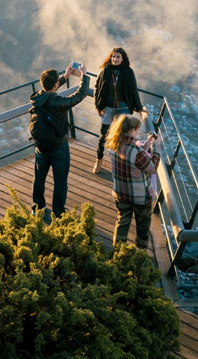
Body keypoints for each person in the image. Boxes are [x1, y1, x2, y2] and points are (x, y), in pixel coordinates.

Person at [29, 63, 91, 219]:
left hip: (41, 147)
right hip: (59, 147)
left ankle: (38, 207)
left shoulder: (37, 97)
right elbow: (79, 95)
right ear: (55, 84)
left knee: (39, 178)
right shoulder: (58, 103)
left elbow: (49, 90)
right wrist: (84, 76)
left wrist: (64, 77)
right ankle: (58, 212)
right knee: (60, 181)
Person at [105, 113, 161, 250]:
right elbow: (152, 168)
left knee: (122, 221)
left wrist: (147, 144)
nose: (138, 132)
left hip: (120, 193)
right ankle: (140, 252)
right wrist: (156, 148)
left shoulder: (114, 144)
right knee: (142, 225)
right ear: (131, 131)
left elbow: (133, 159)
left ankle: (118, 251)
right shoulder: (135, 151)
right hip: (140, 197)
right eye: (137, 129)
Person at [93, 47, 144, 173]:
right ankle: (98, 160)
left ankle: (120, 163)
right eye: (113, 57)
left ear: (123, 59)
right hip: (108, 107)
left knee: (123, 137)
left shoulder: (128, 72)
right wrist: (98, 106)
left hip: (123, 107)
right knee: (104, 135)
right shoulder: (105, 70)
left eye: (118, 57)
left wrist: (140, 108)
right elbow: (97, 88)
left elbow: (133, 91)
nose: (115, 59)